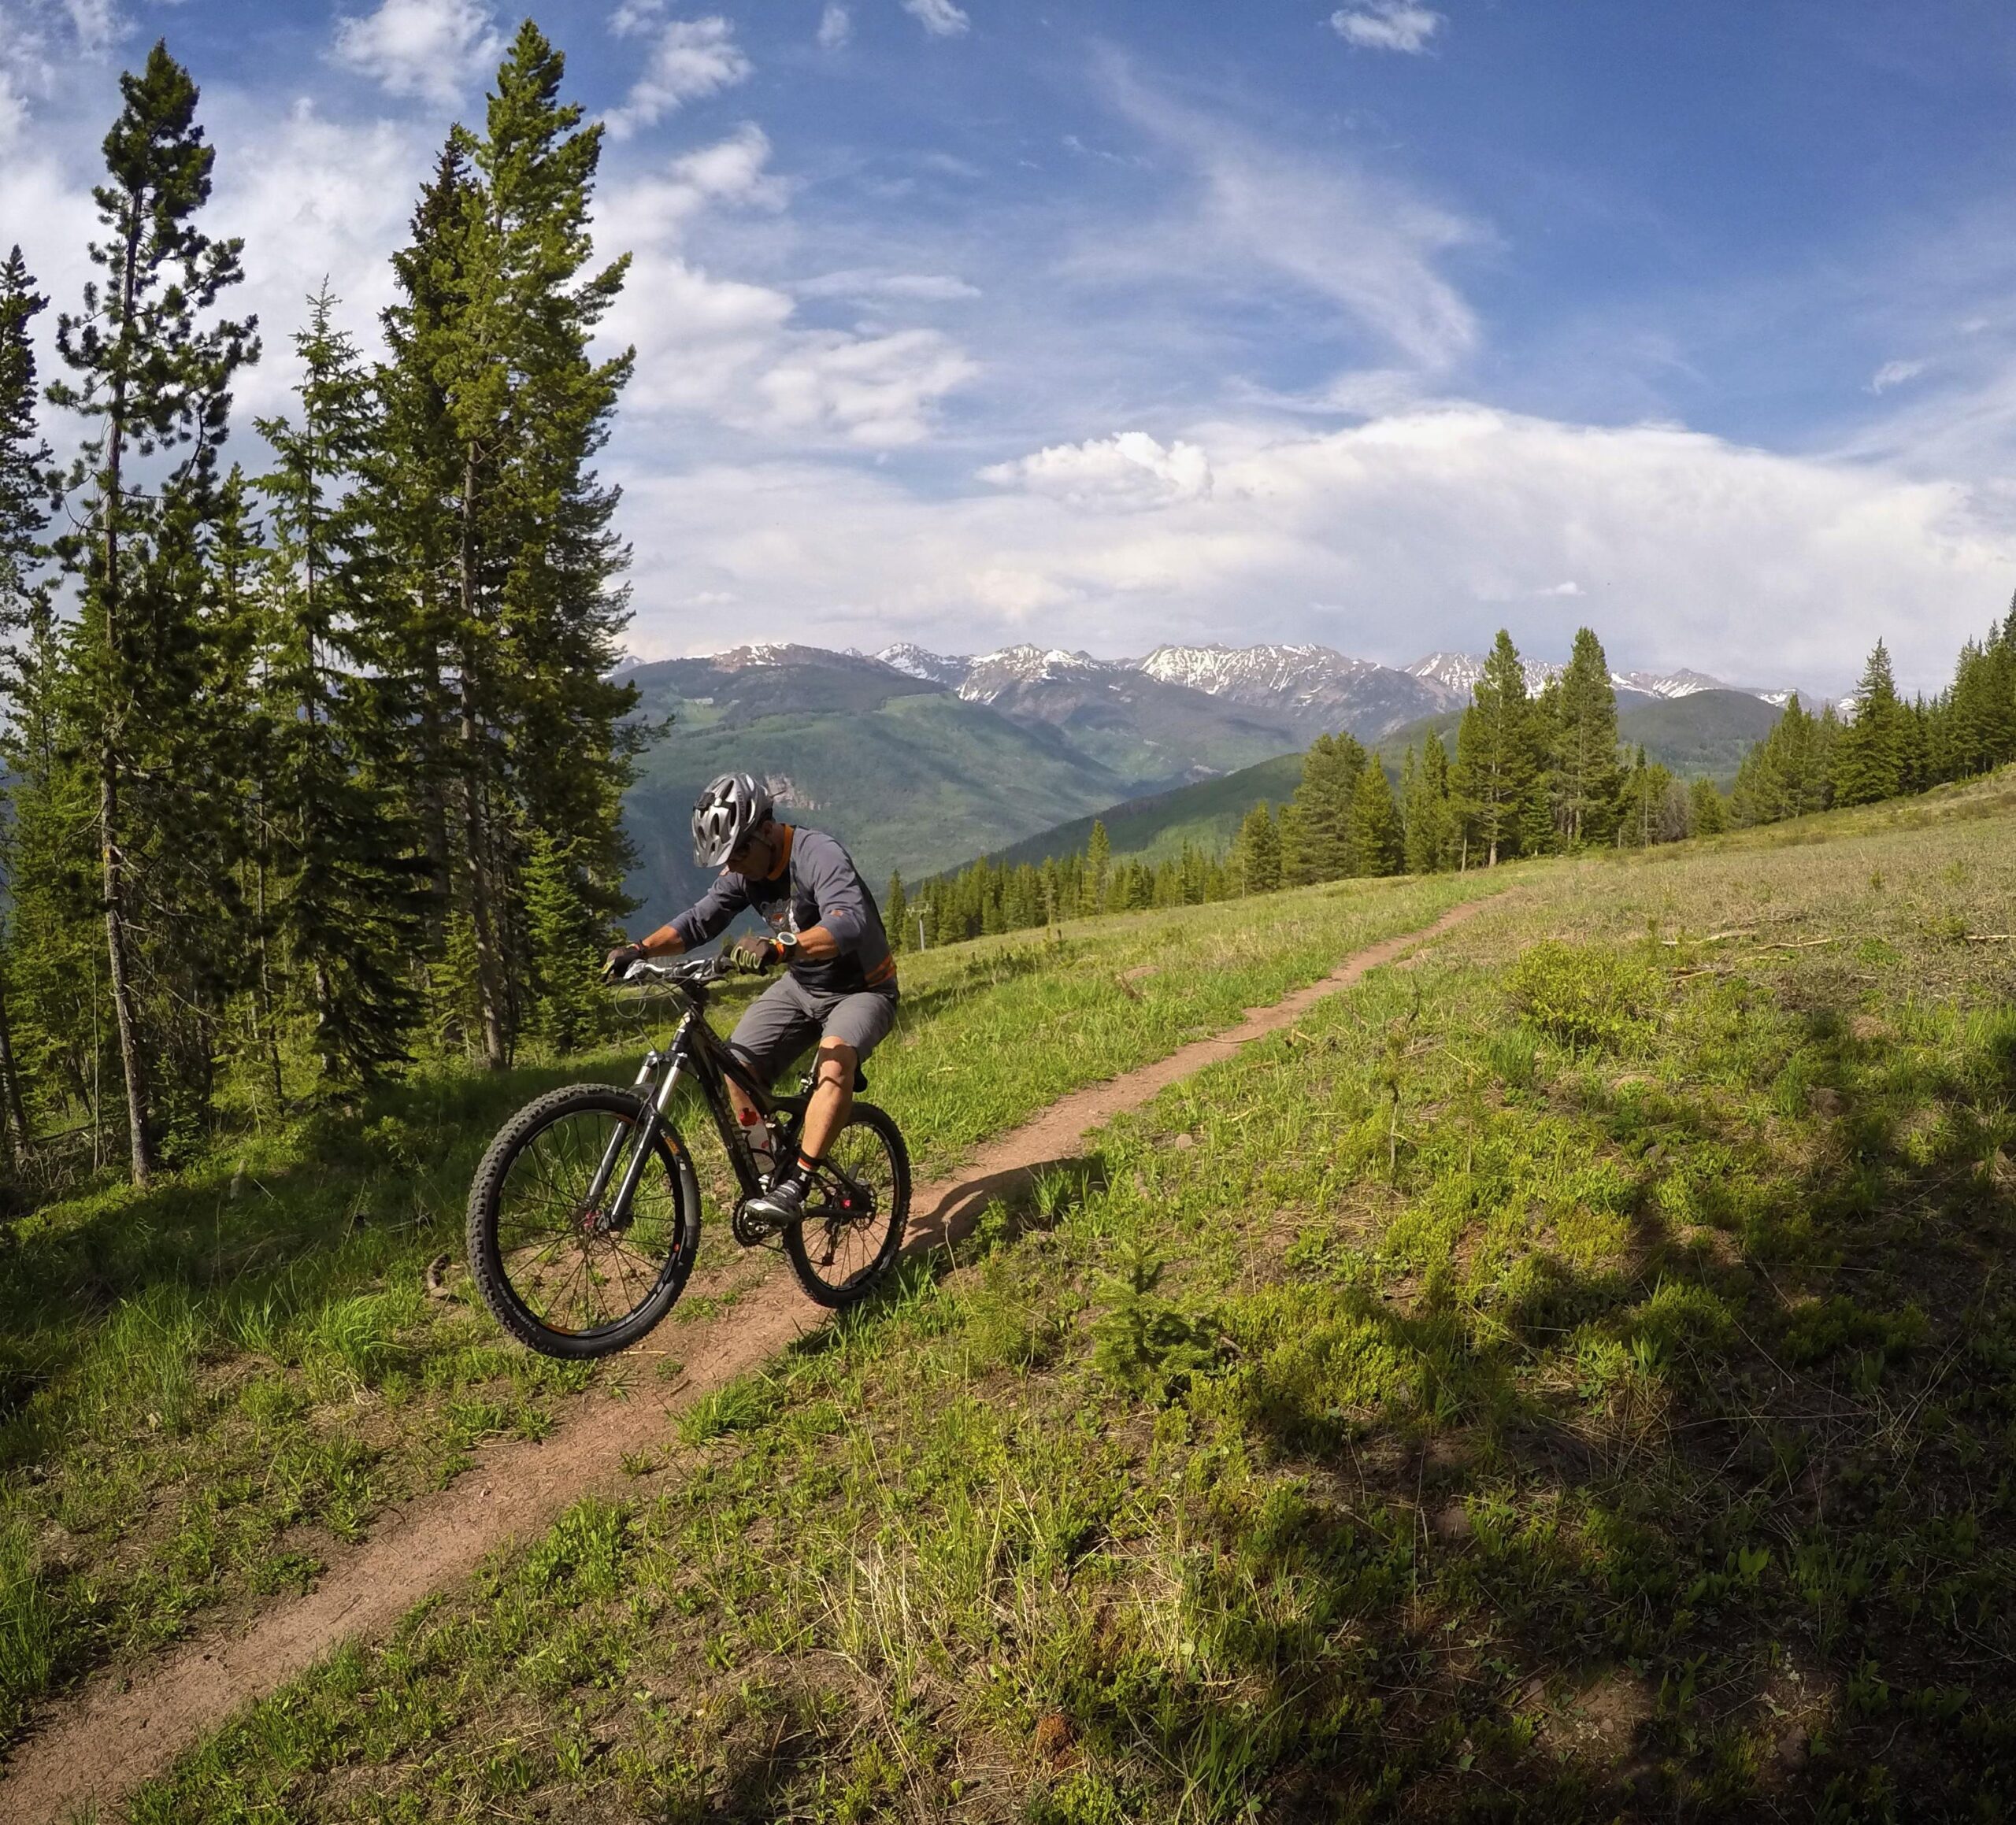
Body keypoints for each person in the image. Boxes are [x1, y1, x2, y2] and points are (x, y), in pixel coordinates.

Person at [603, 772, 899, 1227]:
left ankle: (796, 1184)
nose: (734, 865)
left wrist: (783, 947)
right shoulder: (745, 870)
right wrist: (639, 949)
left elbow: (849, 921)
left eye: (739, 852)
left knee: (835, 1064)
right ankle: (770, 1171)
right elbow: (700, 921)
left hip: (862, 989)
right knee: (736, 1068)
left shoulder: (818, 854)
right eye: (726, 858)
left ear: (765, 828)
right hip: (801, 988)